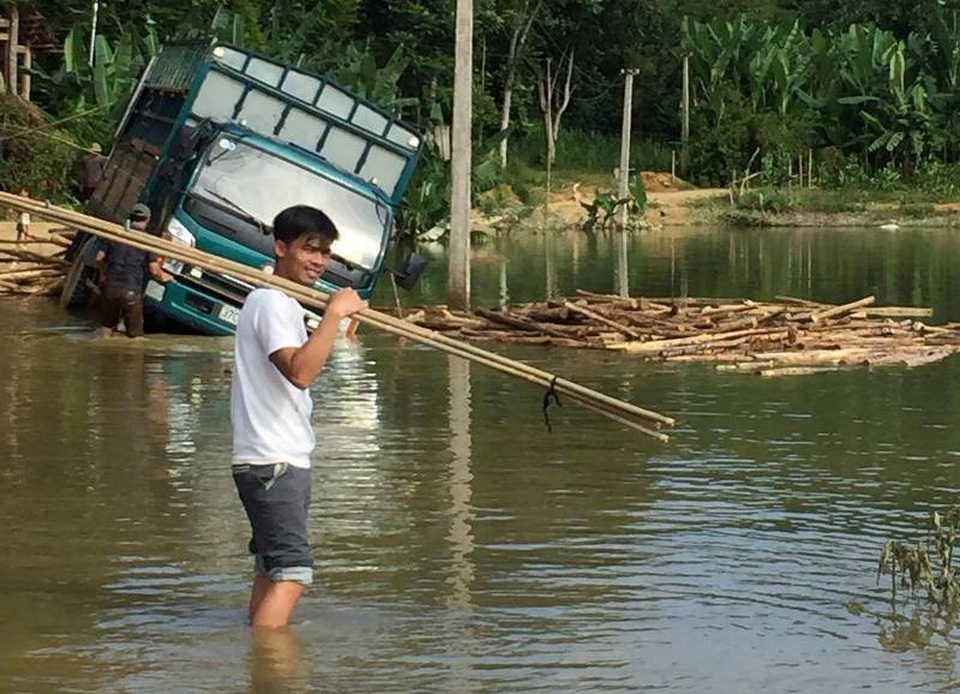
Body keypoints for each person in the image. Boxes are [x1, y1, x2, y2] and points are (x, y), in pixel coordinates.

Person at [230, 204, 366, 629]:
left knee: (271, 571)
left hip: (272, 458)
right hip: (273, 461)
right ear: (280, 246)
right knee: (294, 575)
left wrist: (332, 327)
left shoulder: (278, 303)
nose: (319, 262)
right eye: (310, 250)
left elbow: (298, 363)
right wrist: (332, 316)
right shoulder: (270, 302)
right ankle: (272, 667)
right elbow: (301, 372)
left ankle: (257, 661)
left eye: (325, 253)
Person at [95, 203, 173, 338]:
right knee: (135, 337)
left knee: (106, 328)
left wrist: (104, 272)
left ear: (131, 217)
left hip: (110, 289)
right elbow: (154, 270)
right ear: (147, 219)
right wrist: (165, 277)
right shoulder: (147, 241)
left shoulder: (115, 234)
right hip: (130, 291)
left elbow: (98, 258)